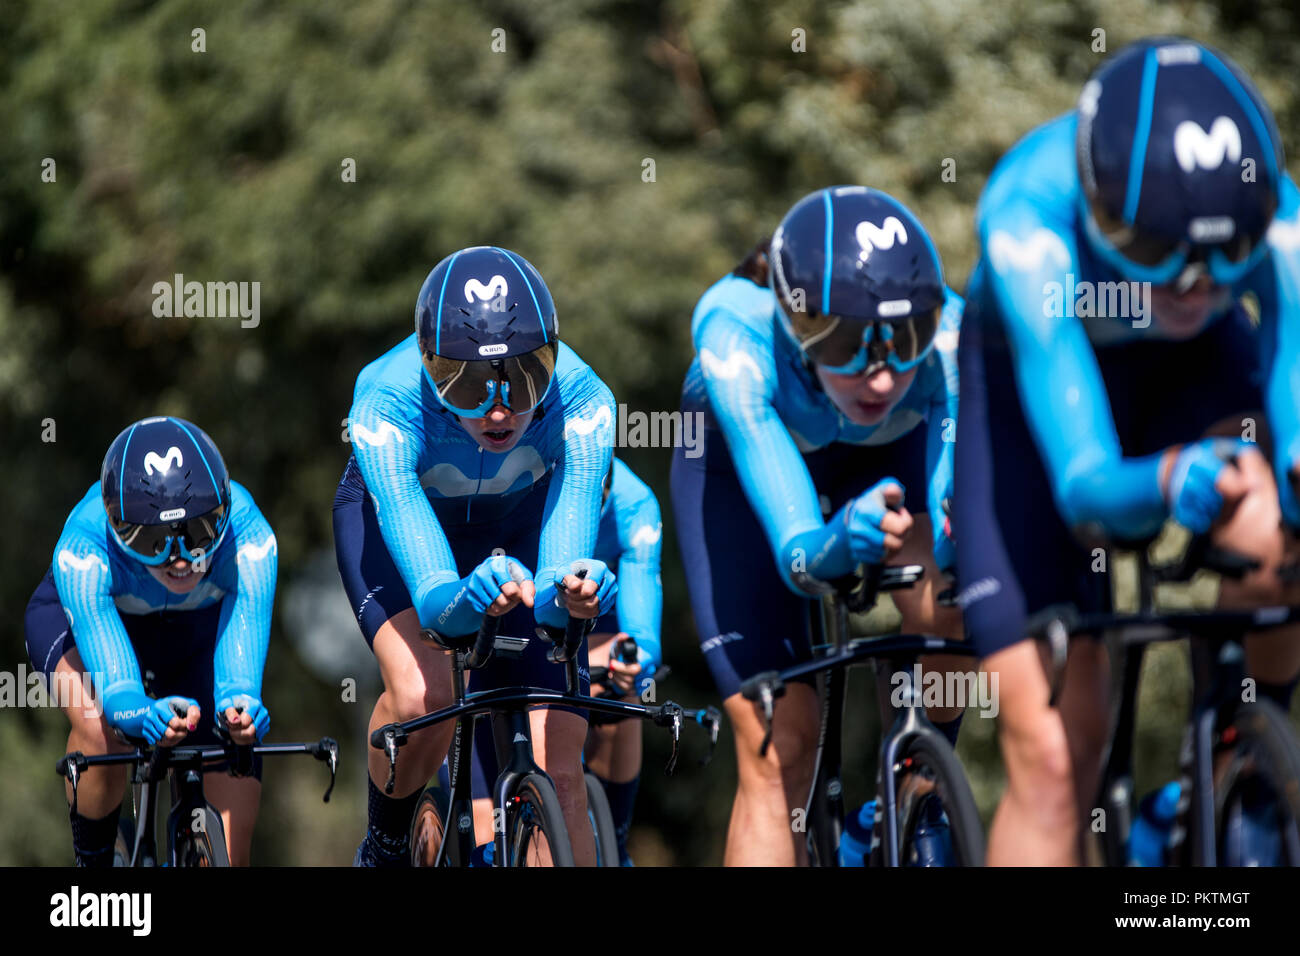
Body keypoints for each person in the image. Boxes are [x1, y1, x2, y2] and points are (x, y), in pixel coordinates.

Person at [952, 36, 1300, 865]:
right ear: (1101, 212)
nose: (1191, 284)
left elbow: (1290, 379)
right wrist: (1170, 476)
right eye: (1154, 252)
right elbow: (1084, 486)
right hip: (1031, 394)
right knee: (1053, 757)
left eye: (1226, 259)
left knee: (1269, 524)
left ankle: (1239, 758)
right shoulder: (1026, 217)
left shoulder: (1275, 209)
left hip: (1191, 371)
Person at [670, 186, 964, 866]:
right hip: (738, 472)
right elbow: (799, 555)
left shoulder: (951, 336)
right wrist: (837, 542)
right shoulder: (734, 335)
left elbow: (954, 502)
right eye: (847, 343)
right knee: (782, 744)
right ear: (798, 327)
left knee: (956, 602)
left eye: (903, 342)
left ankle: (913, 798)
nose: (882, 375)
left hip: (887, 458)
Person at [335, 245, 618, 866]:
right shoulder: (385, 403)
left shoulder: (586, 399)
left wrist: (571, 593)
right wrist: (464, 597)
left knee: (559, 763)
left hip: (518, 527)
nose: (499, 408)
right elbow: (437, 604)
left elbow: (557, 578)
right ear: (430, 368)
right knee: (424, 694)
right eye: (467, 383)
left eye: (524, 377)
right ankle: (384, 845)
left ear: (553, 359)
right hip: (404, 537)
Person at [24, 416, 277, 866]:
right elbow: (119, 695)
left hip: (194, 629)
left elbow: (240, 680)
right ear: (117, 527)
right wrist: (136, 713)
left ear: (224, 511)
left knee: (236, 742)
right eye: (152, 539)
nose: (179, 559)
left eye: (199, 532)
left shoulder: (249, 533)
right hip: (91, 629)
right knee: (101, 731)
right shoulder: (84, 544)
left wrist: (240, 705)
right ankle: (94, 861)